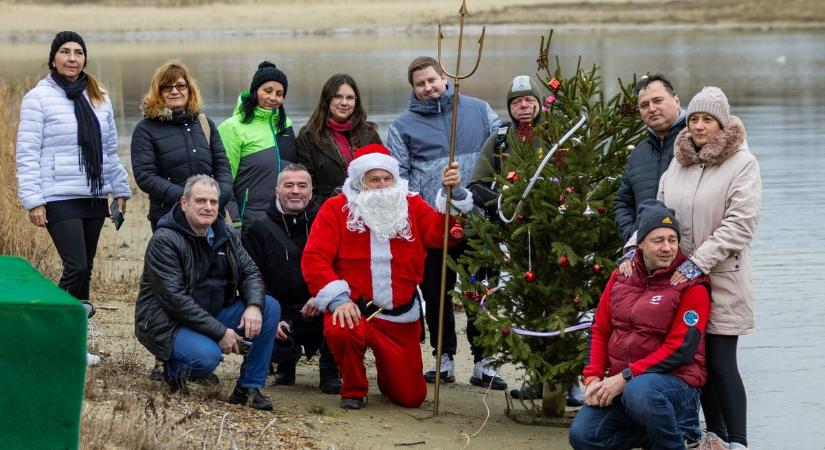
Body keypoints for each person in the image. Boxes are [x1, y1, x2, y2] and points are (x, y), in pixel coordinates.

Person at [301, 144, 473, 409]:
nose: (381, 185)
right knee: (340, 329)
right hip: (356, 310)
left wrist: (454, 194)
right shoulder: (336, 208)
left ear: (395, 179)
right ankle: (354, 388)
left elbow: (442, 238)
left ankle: (389, 374)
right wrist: (338, 300)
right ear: (360, 182)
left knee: (411, 398)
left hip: (400, 315)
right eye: (373, 180)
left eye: (386, 178)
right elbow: (315, 258)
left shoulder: (412, 204)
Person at [16, 31, 131, 366]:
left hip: (93, 195)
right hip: (57, 195)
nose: (71, 58)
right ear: (53, 58)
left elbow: (109, 152)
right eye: (64, 52)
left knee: (85, 271)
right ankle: (50, 335)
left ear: (85, 59)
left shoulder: (99, 97)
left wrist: (119, 191)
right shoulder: (38, 98)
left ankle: (72, 344)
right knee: (76, 266)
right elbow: (27, 154)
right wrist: (33, 200)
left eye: (78, 52)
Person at [468, 74, 583, 402]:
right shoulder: (499, 141)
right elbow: (477, 185)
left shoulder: (559, 137)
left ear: (538, 103)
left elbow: (578, 179)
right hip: (518, 237)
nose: (523, 106)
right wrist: (507, 207)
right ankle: (536, 376)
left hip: (557, 236)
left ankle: (569, 379)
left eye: (529, 100)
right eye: (517, 102)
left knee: (563, 304)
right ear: (509, 107)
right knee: (528, 304)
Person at [386, 56, 500, 386]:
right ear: (413, 88)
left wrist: (487, 196)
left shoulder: (478, 110)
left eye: (432, 80)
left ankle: (485, 359)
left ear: (445, 76)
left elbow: (501, 152)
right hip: (433, 226)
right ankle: (444, 355)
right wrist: (422, 213)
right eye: (420, 84)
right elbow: (399, 179)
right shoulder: (402, 126)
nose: (428, 88)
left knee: (481, 290)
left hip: (478, 220)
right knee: (436, 292)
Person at [657, 87, 760, 450]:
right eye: (695, 119)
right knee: (695, 360)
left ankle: (740, 442)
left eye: (708, 120)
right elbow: (661, 214)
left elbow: (741, 224)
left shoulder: (743, 163)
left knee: (720, 361)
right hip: (682, 280)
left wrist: (698, 261)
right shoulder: (678, 162)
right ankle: (713, 436)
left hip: (723, 278)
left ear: (722, 124)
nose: (699, 127)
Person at [569, 200, 711, 450]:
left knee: (641, 391)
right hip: (628, 388)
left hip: (674, 386)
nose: (667, 248)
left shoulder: (691, 285)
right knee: (583, 436)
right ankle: (664, 434)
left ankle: (680, 438)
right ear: (641, 243)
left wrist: (626, 376)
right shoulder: (620, 276)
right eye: (658, 240)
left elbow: (682, 349)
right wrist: (592, 379)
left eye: (672, 240)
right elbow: (600, 330)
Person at [134, 175, 280, 410]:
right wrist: (220, 332)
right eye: (200, 200)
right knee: (207, 358)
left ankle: (248, 389)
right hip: (168, 322)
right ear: (184, 203)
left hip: (212, 312)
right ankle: (170, 371)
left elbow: (251, 272)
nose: (208, 207)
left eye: (213, 202)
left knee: (269, 307)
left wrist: (253, 305)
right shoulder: (165, 240)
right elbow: (175, 299)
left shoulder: (227, 235)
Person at [243, 163, 342, 394]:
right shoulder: (259, 228)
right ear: (276, 191)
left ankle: (330, 371)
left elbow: (341, 268)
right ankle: (284, 364)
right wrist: (270, 314)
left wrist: (323, 297)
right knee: (265, 321)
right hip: (282, 310)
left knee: (343, 308)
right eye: (288, 185)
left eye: (302, 185)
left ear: (311, 190)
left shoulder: (328, 220)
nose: (295, 191)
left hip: (320, 304)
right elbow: (251, 278)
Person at [131, 59, 233, 231]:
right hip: (169, 216)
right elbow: (145, 176)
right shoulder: (146, 129)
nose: (174, 91)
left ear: (189, 89)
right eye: (167, 87)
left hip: (211, 217)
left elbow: (223, 167)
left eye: (180, 86)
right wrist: (188, 200)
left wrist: (216, 200)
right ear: (158, 92)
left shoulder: (205, 124)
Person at [218, 61, 297, 234]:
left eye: (279, 93)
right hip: (249, 223)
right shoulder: (232, 127)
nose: (273, 98)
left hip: (286, 219)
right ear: (255, 91)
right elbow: (223, 178)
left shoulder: (286, 125)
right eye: (267, 91)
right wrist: (235, 220)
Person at [614, 73, 685, 243]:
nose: (651, 108)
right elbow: (622, 203)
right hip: (649, 260)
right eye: (644, 105)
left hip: (693, 256)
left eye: (658, 101)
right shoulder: (639, 153)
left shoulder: (697, 143)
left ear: (676, 101)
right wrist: (634, 236)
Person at [296, 74, 382, 202]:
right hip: (327, 209)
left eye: (350, 98)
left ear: (356, 101)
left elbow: (384, 174)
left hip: (368, 208)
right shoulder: (309, 136)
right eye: (338, 97)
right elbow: (305, 184)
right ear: (327, 99)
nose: (344, 103)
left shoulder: (369, 134)